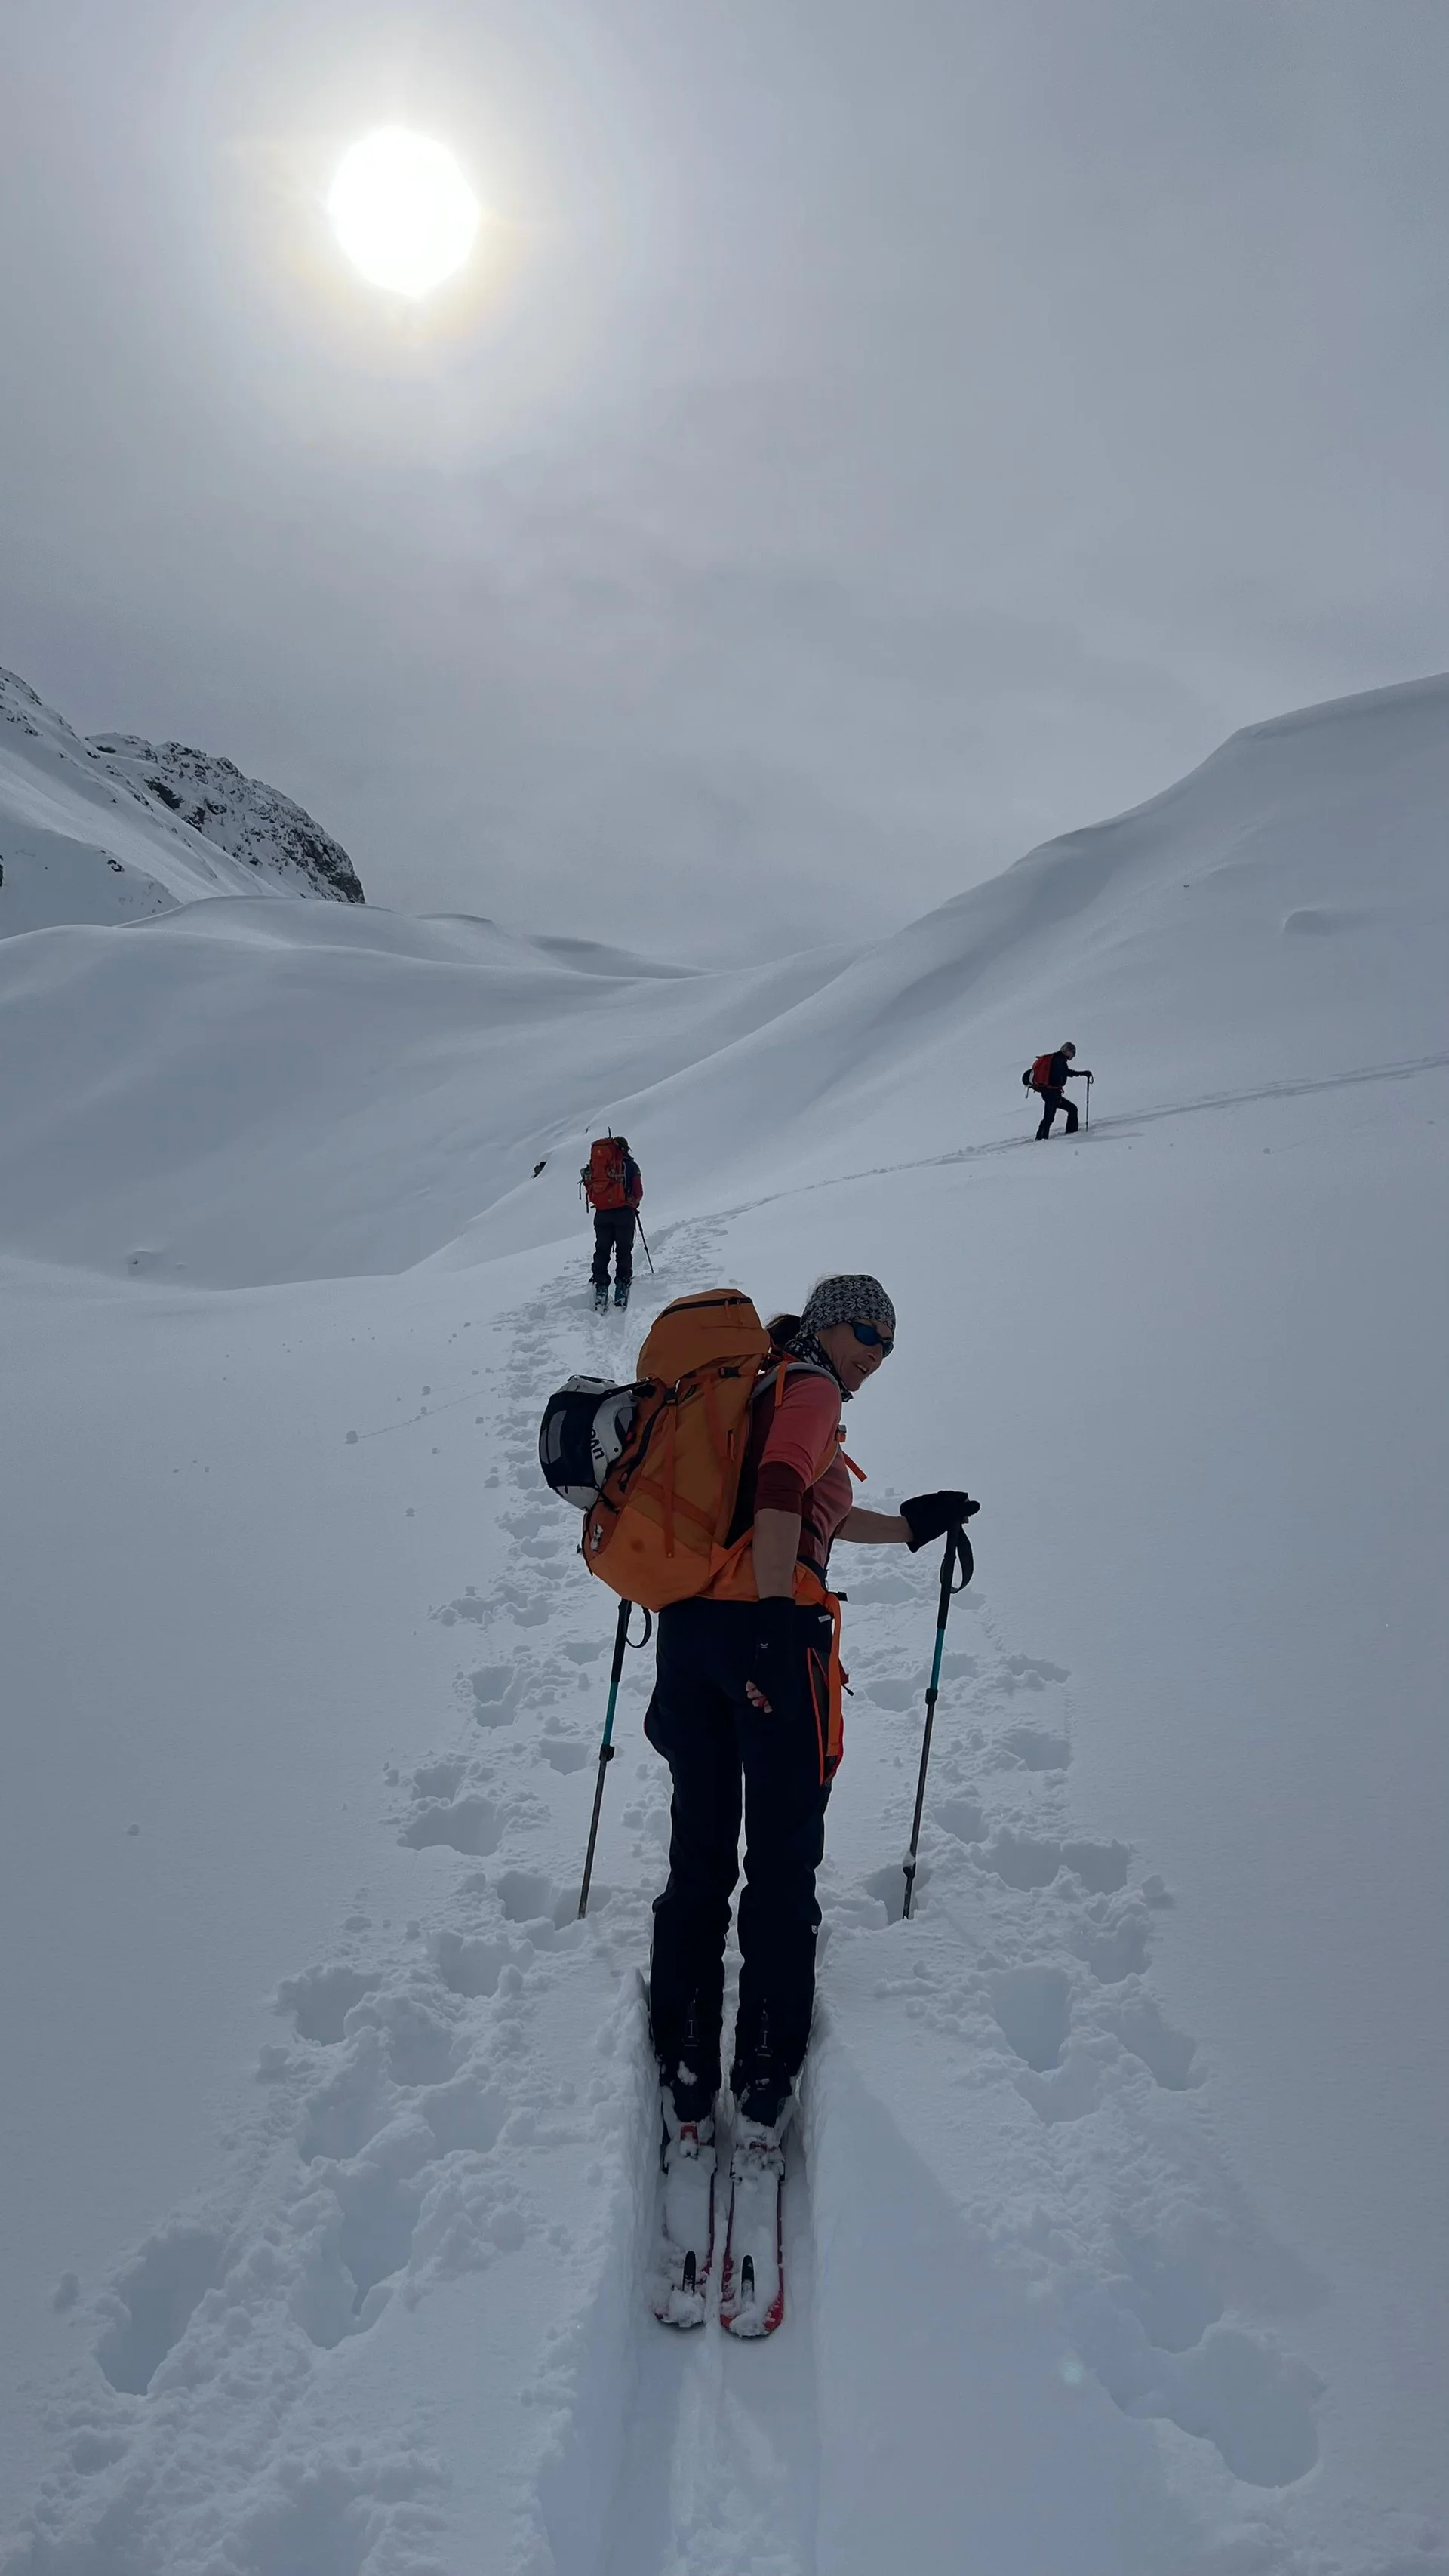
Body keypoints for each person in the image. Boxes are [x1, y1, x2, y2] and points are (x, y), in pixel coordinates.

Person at [644, 1272, 974, 2155]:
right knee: (783, 1857)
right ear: (830, 1324)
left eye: (888, 1342)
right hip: (767, 1636)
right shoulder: (813, 1388)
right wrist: (773, 1627)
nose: (874, 1352)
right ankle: (761, 2069)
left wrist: (907, 1524)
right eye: (866, 1330)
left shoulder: (757, 1385)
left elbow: (804, 1505)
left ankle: (680, 2055)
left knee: (702, 1845)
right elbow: (784, 1488)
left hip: (690, 1638)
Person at [583, 1135, 643, 1310]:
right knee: (624, 1250)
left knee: (602, 1249)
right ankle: (622, 1285)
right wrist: (632, 1202)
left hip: (601, 1214)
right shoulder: (630, 1165)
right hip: (624, 1213)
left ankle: (600, 1286)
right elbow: (638, 1192)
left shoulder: (596, 1167)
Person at [1031, 1041, 1092, 1140]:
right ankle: (1041, 1139)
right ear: (1068, 1051)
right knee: (1049, 1117)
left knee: (1067, 1111)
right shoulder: (1060, 1060)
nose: (1074, 1055)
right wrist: (1083, 1073)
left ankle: (1043, 1137)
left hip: (1050, 1092)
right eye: (1073, 1052)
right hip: (1052, 1093)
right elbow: (1066, 1072)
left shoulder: (1056, 1058)